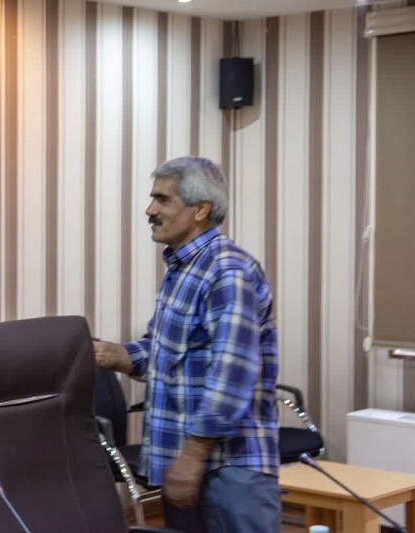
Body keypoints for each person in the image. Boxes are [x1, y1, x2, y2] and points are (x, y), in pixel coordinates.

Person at [94, 156, 280, 533]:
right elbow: (165, 354)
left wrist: (192, 457)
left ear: (200, 210)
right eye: (153, 199)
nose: (150, 210)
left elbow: (232, 377)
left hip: (226, 470)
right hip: (185, 464)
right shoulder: (184, 270)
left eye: (162, 200)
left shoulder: (226, 271)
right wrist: (109, 354)